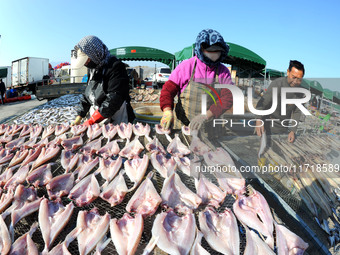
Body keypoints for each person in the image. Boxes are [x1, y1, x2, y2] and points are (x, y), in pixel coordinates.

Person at [159, 29, 233, 131]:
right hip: (183, 126)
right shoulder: (186, 66)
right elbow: (168, 90)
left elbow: (228, 97)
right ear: (200, 48)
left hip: (208, 128)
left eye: (217, 51)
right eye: (210, 51)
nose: (214, 54)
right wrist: (167, 110)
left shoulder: (223, 71)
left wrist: (207, 115)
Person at [71, 36, 135, 126]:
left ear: (95, 53)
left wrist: (92, 120)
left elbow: (114, 98)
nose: (86, 63)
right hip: (97, 117)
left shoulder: (116, 67)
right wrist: (80, 115)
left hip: (116, 118)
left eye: (87, 60)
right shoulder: (93, 69)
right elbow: (88, 95)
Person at [255, 60, 305, 143]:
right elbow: (263, 102)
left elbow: (297, 111)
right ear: (288, 72)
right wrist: (258, 119)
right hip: (267, 126)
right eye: (294, 77)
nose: (296, 81)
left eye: (299, 79)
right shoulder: (277, 84)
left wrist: (293, 130)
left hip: (282, 128)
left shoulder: (300, 92)